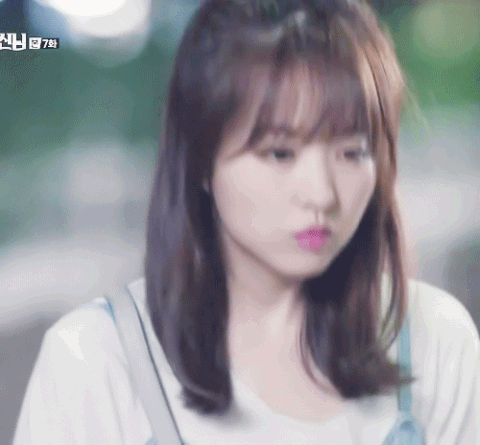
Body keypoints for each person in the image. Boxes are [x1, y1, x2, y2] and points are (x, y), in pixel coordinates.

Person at [13, 0, 480, 443]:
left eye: (352, 152)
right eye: (280, 153)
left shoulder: (434, 343)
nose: (322, 194)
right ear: (200, 160)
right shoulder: (93, 363)